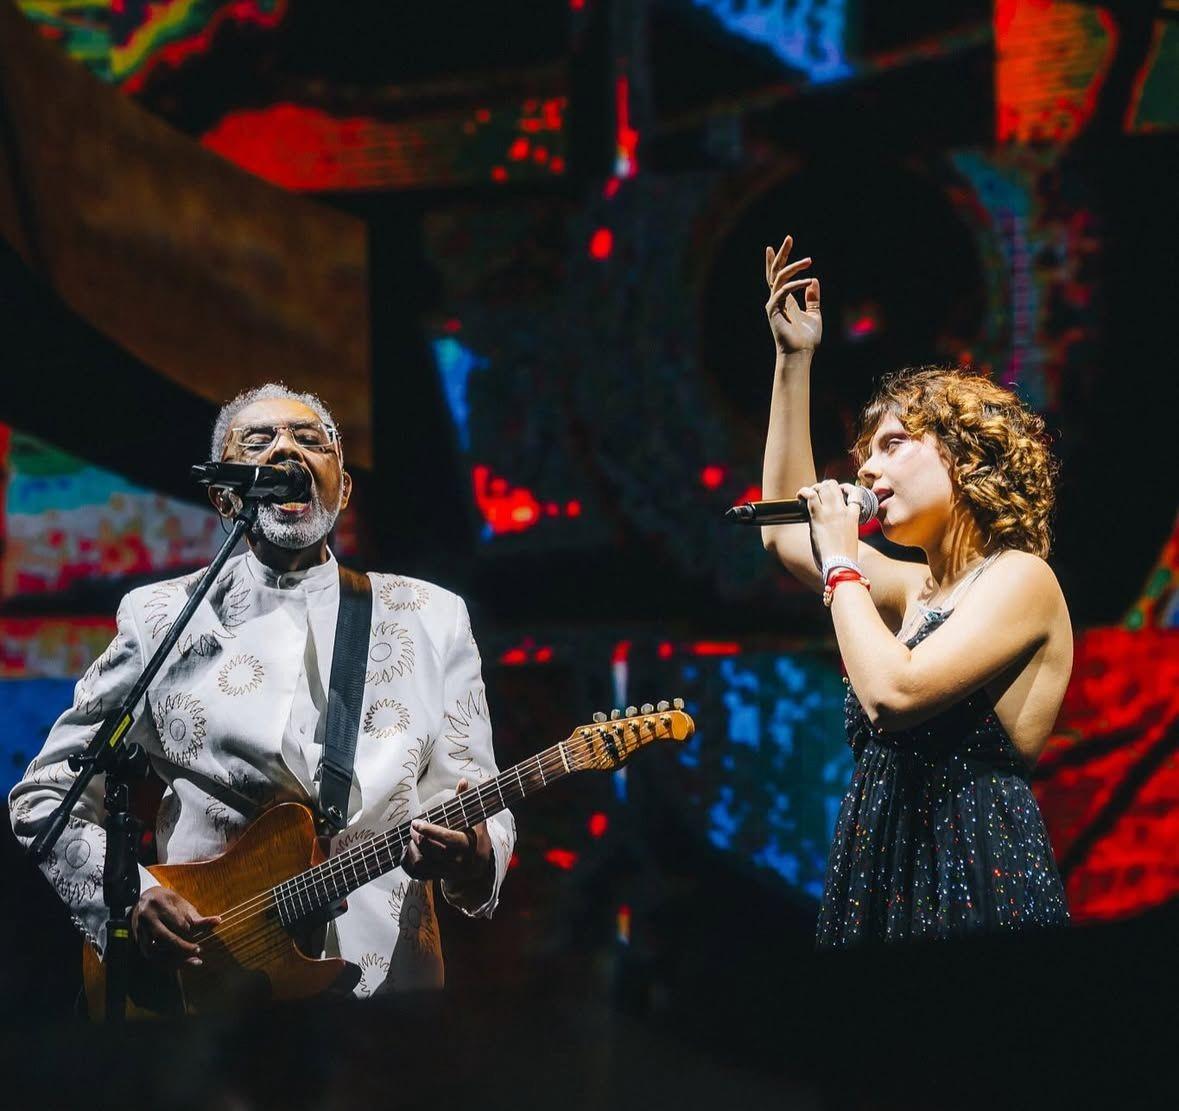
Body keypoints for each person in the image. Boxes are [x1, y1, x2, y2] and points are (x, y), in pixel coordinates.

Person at [9, 383, 515, 996]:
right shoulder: (162, 618)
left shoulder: (430, 616)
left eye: (309, 440)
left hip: (386, 992)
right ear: (225, 495)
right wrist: (134, 900)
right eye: (260, 440)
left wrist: (474, 853)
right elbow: (45, 798)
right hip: (212, 982)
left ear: (343, 487)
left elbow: (476, 792)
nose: (286, 452)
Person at [760, 235, 1071, 945]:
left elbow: (892, 696)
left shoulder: (1021, 578)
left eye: (891, 443)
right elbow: (782, 536)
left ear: (964, 459)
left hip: (973, 869)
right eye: (863, 451)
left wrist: (841, 565)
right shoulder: (911, 585)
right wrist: (791, 360)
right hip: (878, 865)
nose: (865, 469)